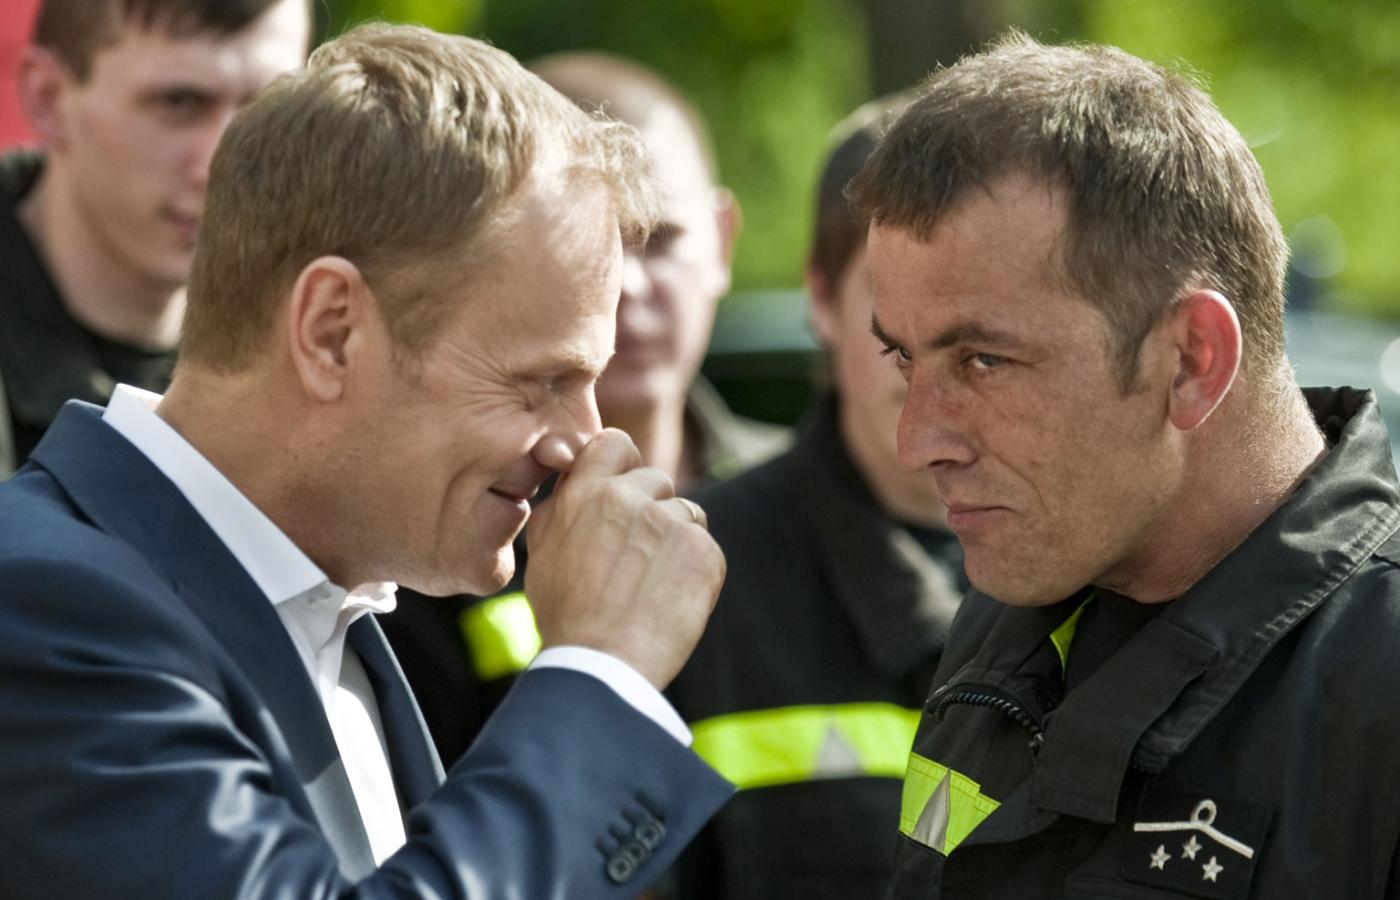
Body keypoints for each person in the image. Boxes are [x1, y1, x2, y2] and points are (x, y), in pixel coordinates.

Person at [0, 22, 733, 897]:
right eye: (539, 381)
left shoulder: (320, 610)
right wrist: (600, 673)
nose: (583, 439)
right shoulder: (42, 609)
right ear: (331, 331)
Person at [848, 32, 1400, 898]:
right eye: (904, 358)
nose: (917, 441)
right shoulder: (1008, 617)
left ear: (1191, 361)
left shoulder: (1377, 686)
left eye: (984, 361)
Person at [380, 51, 786, 767]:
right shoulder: (420, 533)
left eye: (661, 239)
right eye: (588, 245)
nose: (625, 283)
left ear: (723, 239)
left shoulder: (818, 506)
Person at [660, 94, 966, 900]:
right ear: (822, 300)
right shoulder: (698, 578)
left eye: (979, 314)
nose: (932, 356)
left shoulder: (1120, 568)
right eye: (894, 308)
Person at [0, 0, 312, 480]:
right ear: (48, 98)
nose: (222, 166)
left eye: (267, 110)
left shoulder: (320, 343)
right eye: (180, 103)